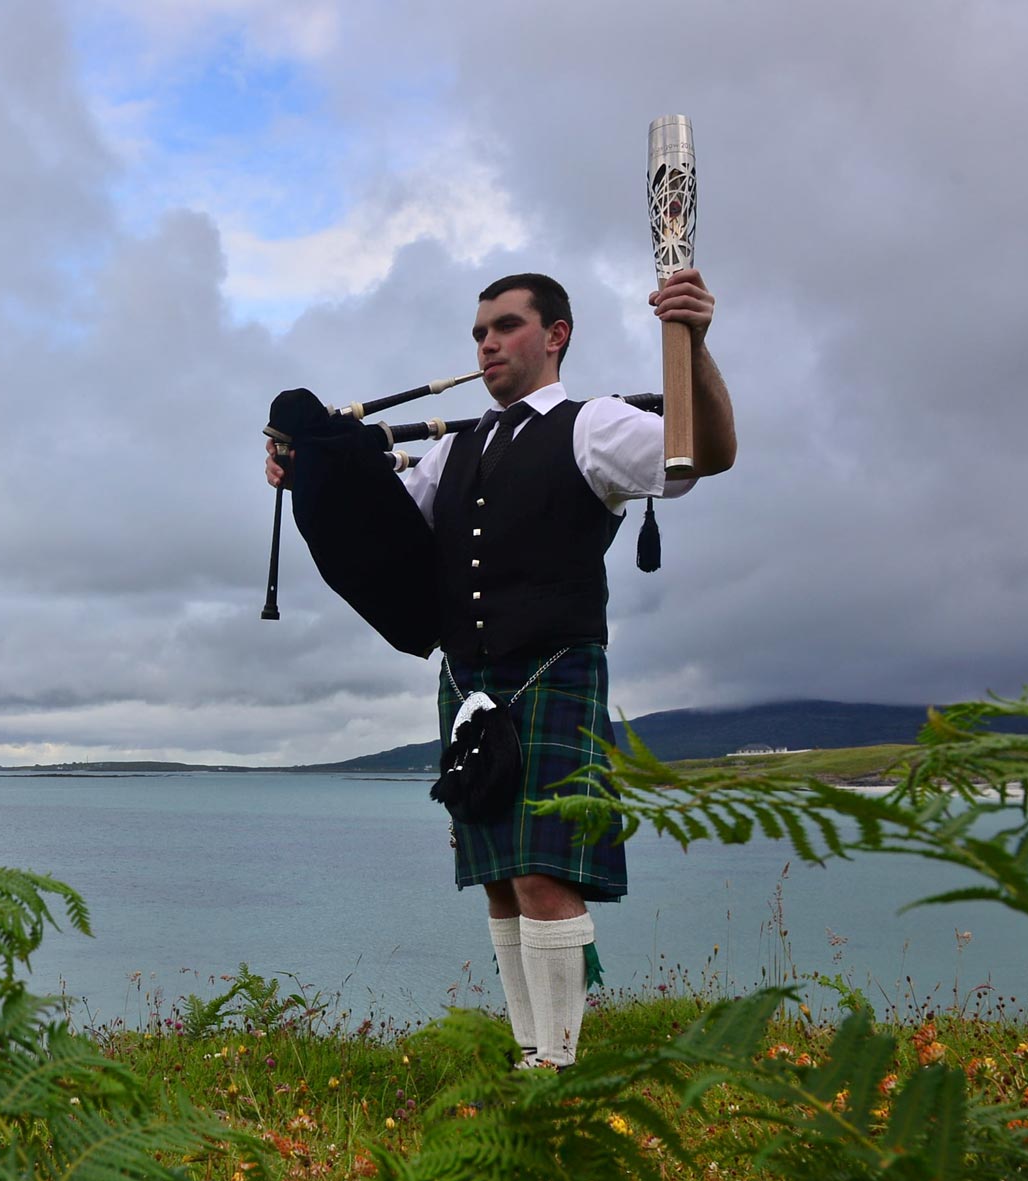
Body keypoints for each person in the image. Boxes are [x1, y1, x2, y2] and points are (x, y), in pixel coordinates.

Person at [265, 269, 735, 1066]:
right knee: (497, 875)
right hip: (468, 685)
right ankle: (529, 1049)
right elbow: (386, 527)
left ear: (556, 336)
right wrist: (310, 470)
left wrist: (693, 343)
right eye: (480, 331)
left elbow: (705, 451)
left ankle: (558, 1063)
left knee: (544, 872)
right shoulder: (455, 449)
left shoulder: (595, 427)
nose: (487, 343)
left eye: (506, 326)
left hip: (554, 671)